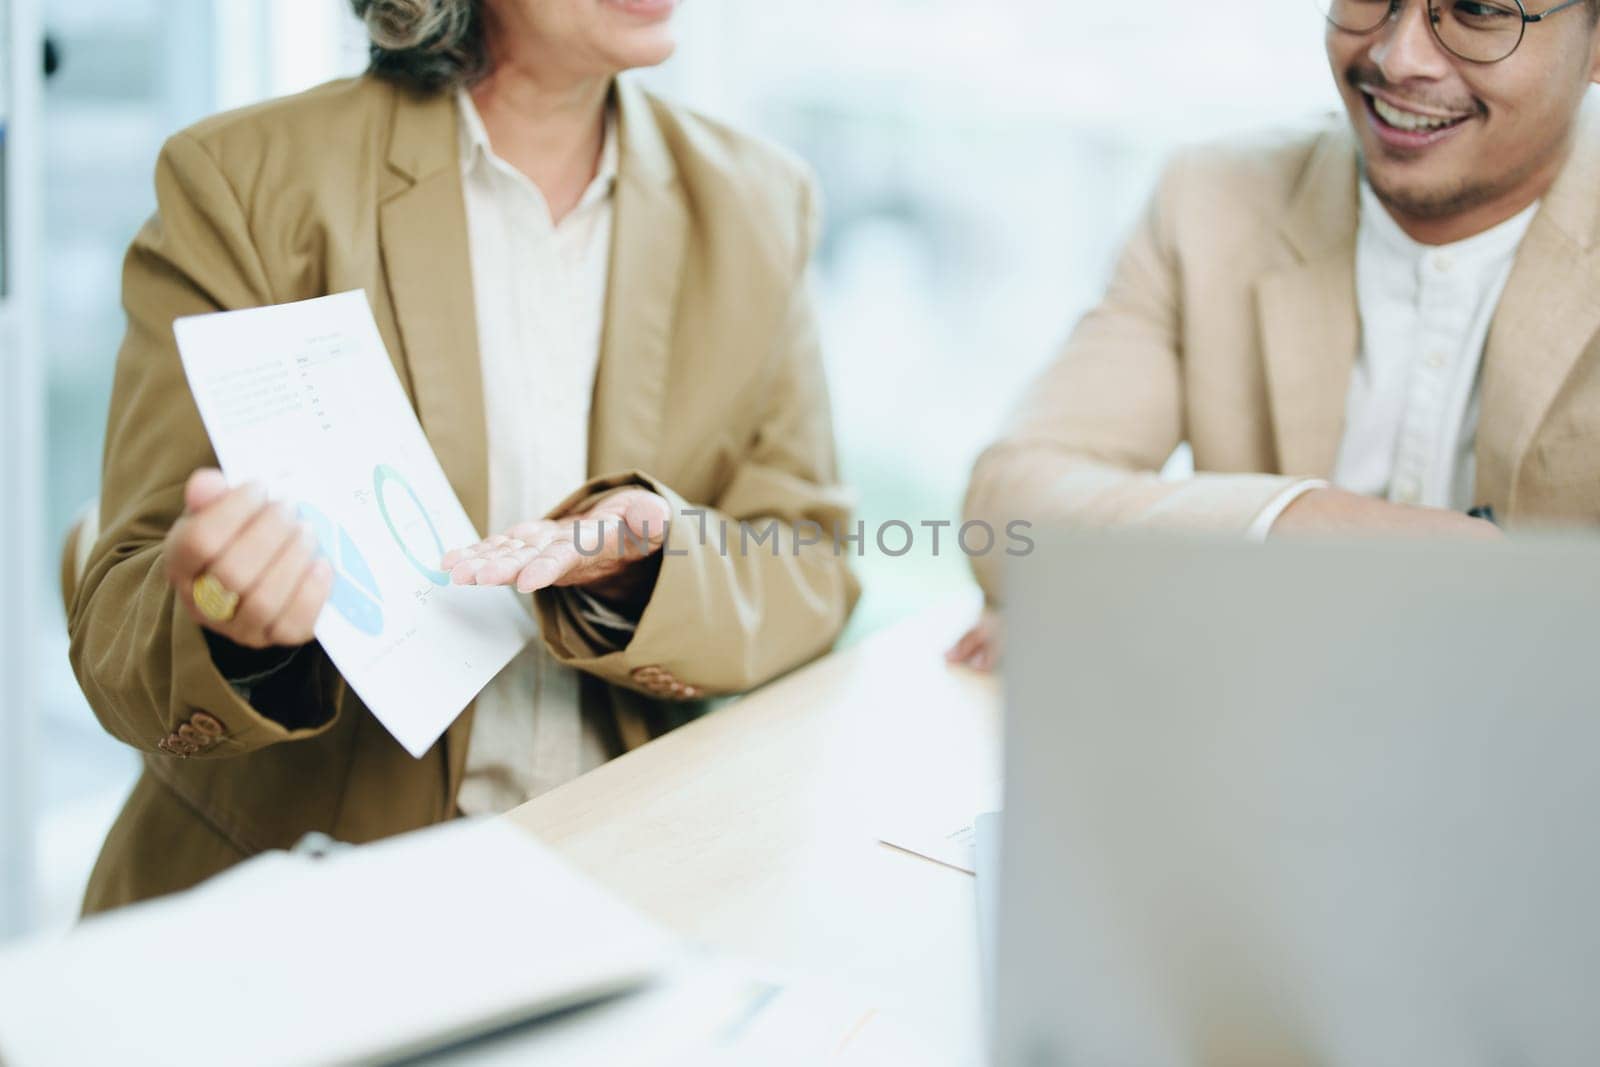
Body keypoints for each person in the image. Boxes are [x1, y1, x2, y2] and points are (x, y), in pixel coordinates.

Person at [67, 0, 858, 912]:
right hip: (304, 914)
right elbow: (119, 627)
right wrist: (224, 614)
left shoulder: (761, 202)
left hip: (626, 896)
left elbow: (808, 565)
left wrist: (649, 572)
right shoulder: (241, 185)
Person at [950, 0, 1600, 669]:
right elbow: (1008, 512)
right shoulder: (1211, 199)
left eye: (1478, 10)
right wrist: (1305, 525)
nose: (1397, 57)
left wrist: (1131, 582)